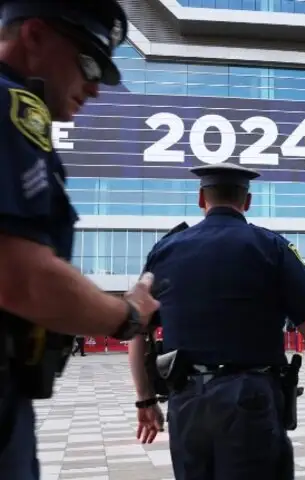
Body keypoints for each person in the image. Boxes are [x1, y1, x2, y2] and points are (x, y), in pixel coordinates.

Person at [0, 2, 161, 478]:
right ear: (34, 36)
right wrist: (127, 313)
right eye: (88, 63)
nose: (95, 87)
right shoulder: (10, 111)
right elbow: (20, 279)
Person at [126, 163, 305, 480]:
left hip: (187, 403)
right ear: (247, 201)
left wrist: (144, 400)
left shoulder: (165, 251)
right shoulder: (271, 247)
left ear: (201, 199)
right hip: (249, 400)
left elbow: (136, 329)